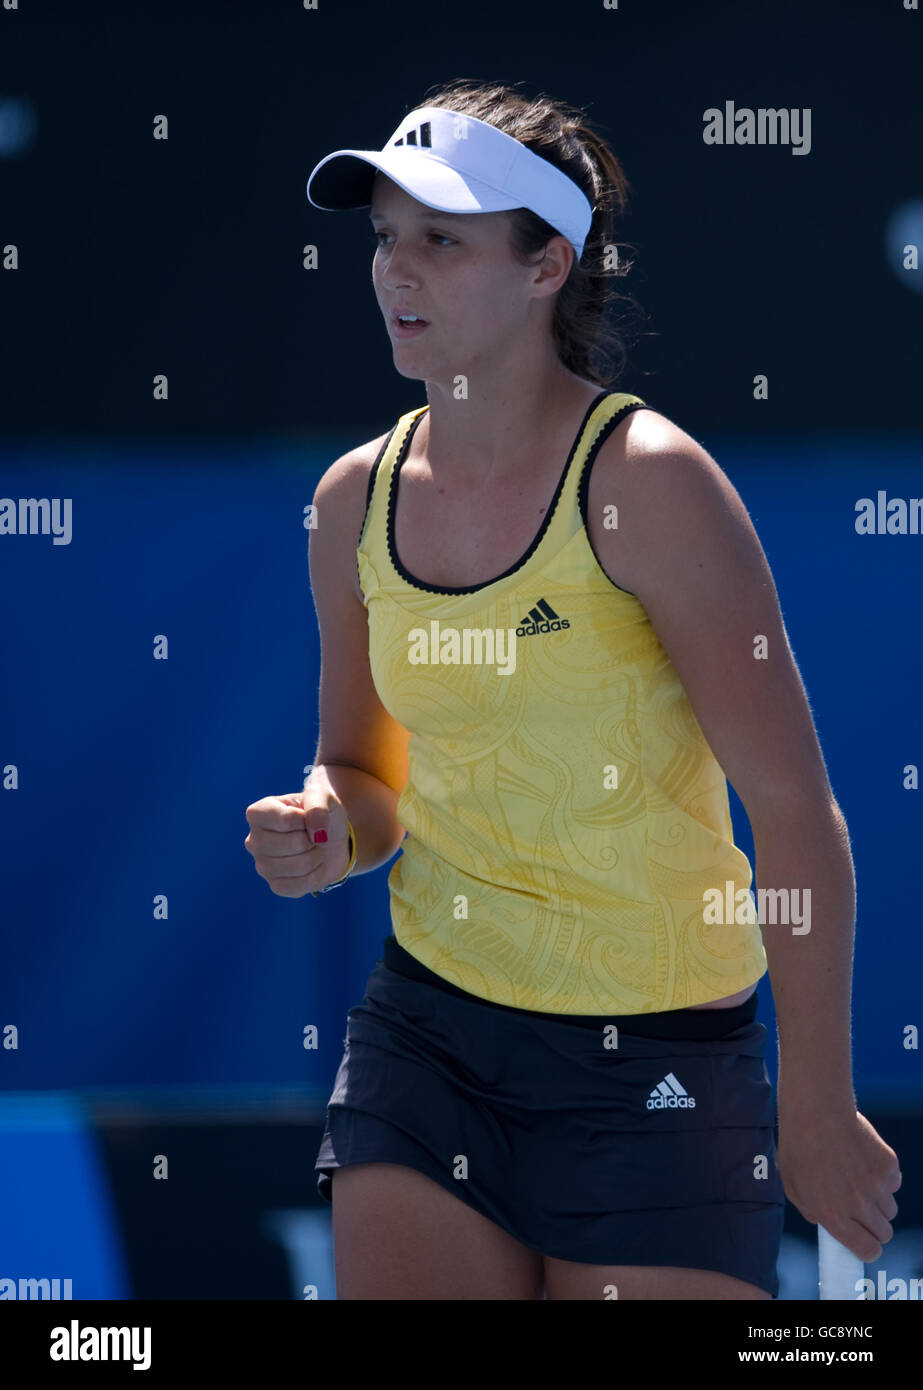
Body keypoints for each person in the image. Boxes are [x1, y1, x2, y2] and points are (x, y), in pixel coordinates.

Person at [244, 79, 900, 1300]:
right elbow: (362, 773)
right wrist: (328, 826)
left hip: (661, 1065)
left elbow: (797, 815)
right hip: (427, 1031)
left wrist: (814, 1106)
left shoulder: (652, 485)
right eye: (386, 237)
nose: (397, 270)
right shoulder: (349, 502)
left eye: (441, 239)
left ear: (548, 264)